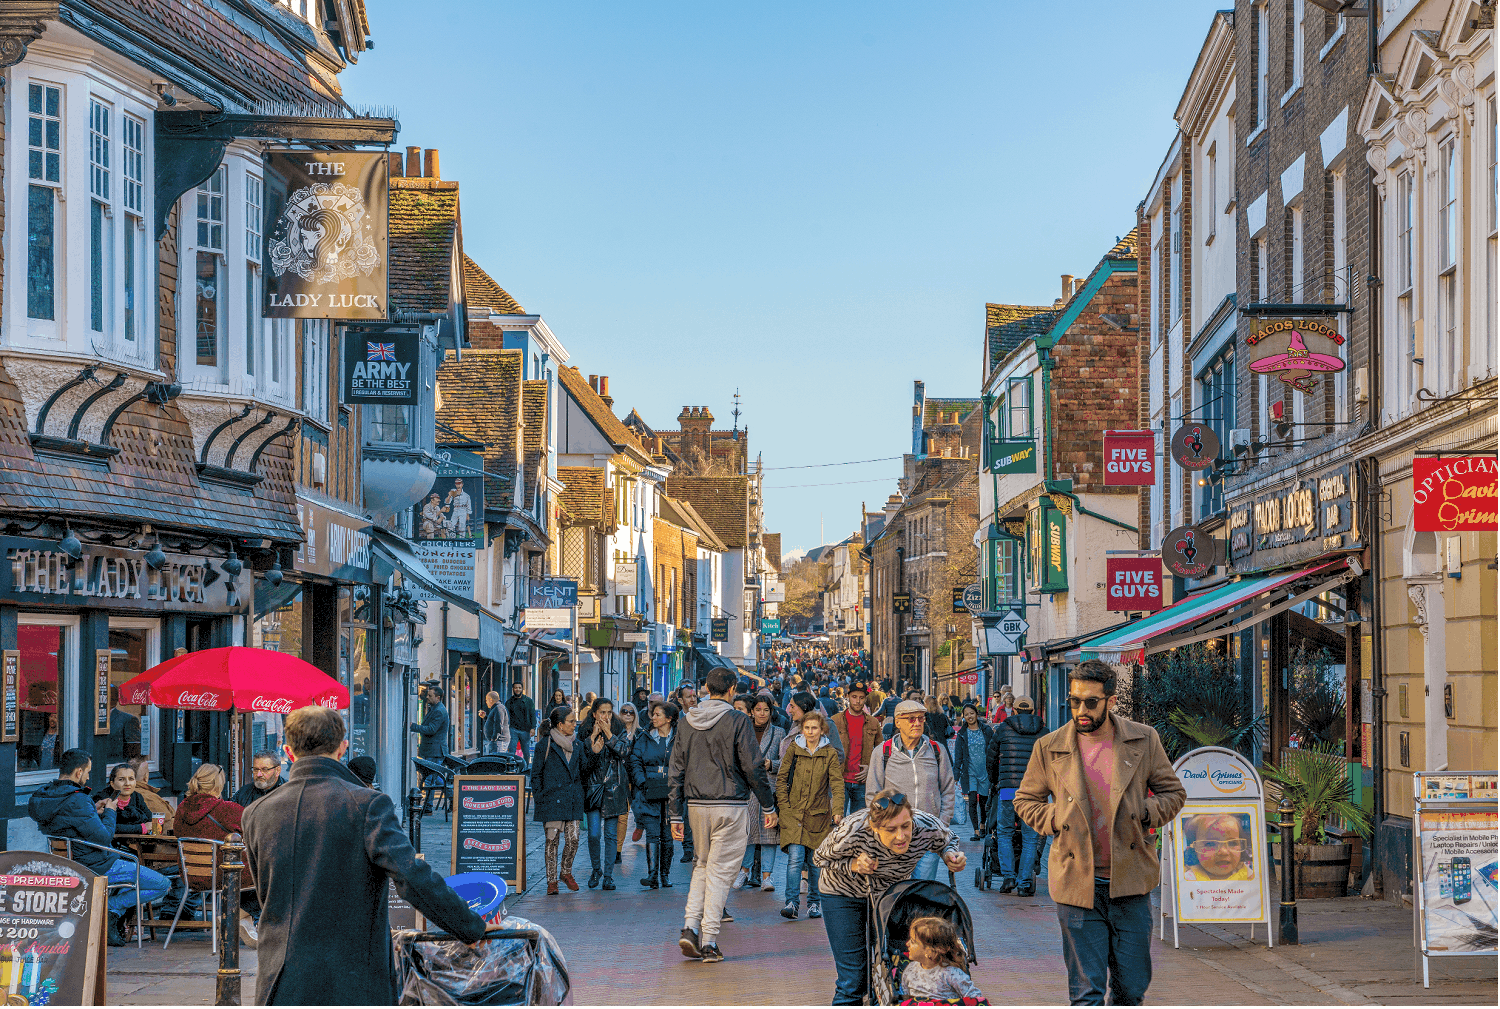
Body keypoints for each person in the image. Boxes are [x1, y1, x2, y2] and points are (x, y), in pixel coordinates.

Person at [244, 705, 484, 1004]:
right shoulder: (367, 804)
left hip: (279, 974)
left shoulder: (256, 813)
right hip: (352, 975)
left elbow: (265, 892)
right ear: (343, 748)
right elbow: (411, 875)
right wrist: (469, 926)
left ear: (288, 752)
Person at [1015, 659, 1186, 1007]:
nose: (1080, 709)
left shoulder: (1144, 739)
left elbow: (1174, 793)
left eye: (1090, 702)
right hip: (1077, 885)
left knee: (1131, 989)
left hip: (1131, 883)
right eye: (1074, 701)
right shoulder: (1049, 747)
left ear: (1110, 701)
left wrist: (1146, 813)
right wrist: (1054, 818)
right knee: (1086, 993)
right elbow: (1025, 799)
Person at [812, 790, 965, 1004]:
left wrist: (951, 855)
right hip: (842, 893)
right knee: (854, 978)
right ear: (874, 828)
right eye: (891, 830)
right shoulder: (853, 829)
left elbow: (949, 839)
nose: (901, 836)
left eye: (905, 826)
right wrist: (853, 864)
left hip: (889, 896)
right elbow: (819, 857)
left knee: (890, 968)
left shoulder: (925, 826)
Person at [668, 665, 776, 964]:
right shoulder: (738, 720)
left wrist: (675, 813)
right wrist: (768, 805)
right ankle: (710, 940)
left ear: (705, 687)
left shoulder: (687, 720)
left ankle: (690, 927)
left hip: (695, 805)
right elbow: (753, 767)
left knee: (703, 866)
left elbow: (676, 767)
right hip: (730, 803)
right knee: (719, 873)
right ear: (732, 690)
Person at [29, 747, 172, 946]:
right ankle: (111, 907)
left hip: (65, 862)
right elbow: (104, 838)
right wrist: (110, 811)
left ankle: (108, 914)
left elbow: (70, 821)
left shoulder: (43, 796)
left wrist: (93, 811)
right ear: (78, 772)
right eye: (87, 773)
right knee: (162, 884)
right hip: (96, 865)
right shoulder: (77, 799)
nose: (87, 778)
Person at [865, 698, 956, 880]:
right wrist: (883, 828)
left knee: (921, 893)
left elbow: (947, 791)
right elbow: (873, 794)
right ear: (898, 722)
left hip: (927, 838)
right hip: (894, 839)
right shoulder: (883, 752)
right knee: (895, 895)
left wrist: (941, 824)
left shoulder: (937, 750)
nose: (917, 723)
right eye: (911, 719)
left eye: (921, 719)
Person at [775, 709, 843, 921]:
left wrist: (838, 810)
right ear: (801, 729)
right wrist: (784, 808)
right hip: (793, 814)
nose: (810, 732)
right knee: (795, 859)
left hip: (819, 815)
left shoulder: (829, 753)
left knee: (815, 863)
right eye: (807, 728)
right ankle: (792, 903)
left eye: (814, 728)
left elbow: (837, 784)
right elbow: (781, 779)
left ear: (822, 729)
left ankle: (814, 903)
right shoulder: (794, 749)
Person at [987, 695, 1046, 894]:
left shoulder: (1004, 728)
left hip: (1007, 791)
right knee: (1030, 838)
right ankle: (1024, 883)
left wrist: (996, 781)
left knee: (1004, 833)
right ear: (1032, 711)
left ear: (1014, 711)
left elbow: (992, 757)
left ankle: (1008, 878)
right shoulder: (1044, 732)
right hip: (1033, 793)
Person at [533, 705, 586, 895]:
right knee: (552, 841)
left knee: (573, 839)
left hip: (572, 799)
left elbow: (584, 772)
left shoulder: (578, 745)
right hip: (551, 800)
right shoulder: (545, 745)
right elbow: (536, 775)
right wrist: (540, 798)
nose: (574, 724)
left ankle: (565, 872)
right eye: (571, 721)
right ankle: (551, 881)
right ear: (560, 724)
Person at [578, 697, 630, 890]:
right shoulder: (584, 731)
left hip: (614, 788)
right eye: (602, 712)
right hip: (593, 787)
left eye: (609, 712)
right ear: (594, 713)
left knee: (610, 835)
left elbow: (624, 751)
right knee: (593, 834)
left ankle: (608, 876)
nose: (606, 716)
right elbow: (583, 764)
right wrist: (592, 740)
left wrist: (608, 733)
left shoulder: (618, 729)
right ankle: (596, 869)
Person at [735, 694, 785, 891]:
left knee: (768, 833)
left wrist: (771, 764)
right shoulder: (742, 730)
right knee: (746, 832)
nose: (762, 713)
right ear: (751, 711)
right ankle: (744, 872)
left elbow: (786, 762)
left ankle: (767, 876)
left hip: (768, 787)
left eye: (766, 710)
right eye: (758, 710)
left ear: (771, 712)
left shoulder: (779, 733)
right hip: (746, 787)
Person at [630, 700, 679, 889]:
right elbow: (634, 760)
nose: (654, 718)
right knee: (652, 832)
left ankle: (665, 875)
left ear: (669, 718)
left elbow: (684, 760)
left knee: (667, 834)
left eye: (658, 714)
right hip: (648, 789)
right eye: (653, 714)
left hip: (671, 791)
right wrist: (641, 780)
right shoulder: (644, 737)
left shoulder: (678, 738)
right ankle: (652, 876)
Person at [902, 916, 985, 1002]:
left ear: (930, 951)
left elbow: (976, 999)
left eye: (913, 941)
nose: (907, 944)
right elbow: (906, 998)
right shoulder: (910, 970)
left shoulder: (951, 974)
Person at [830, 681, 879, 815]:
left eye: (861, 698)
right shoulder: (835, 720)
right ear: (848, 696)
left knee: (859, 824)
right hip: (839, 779)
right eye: (854, 697)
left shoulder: (873, 722)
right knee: (836, 822)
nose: (858, 701)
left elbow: (880, 752)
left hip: (862, 781)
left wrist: (870, 767)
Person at [952, 704, 994, 842]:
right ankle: (976, 831)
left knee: (983, 801)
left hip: (985, 771)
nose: (969, 716)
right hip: (969, 772)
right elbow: (958, 756)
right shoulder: (962, 734)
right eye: (966, 714)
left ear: (976, 714)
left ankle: (983, 826)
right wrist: (956, 775)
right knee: (971, 801)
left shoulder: (987, 730)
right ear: (963, 717)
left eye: (972, 713)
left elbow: (994, 750)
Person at [174, 764, 245, 842]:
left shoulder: (183, 807)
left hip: (186, 854)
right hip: (220, 854)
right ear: (218, 785)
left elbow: (177, 834)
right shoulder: (231, 809)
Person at [1182, 813, 1255, 881]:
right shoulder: (1190, 878)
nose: (1224, 852)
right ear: (1194, 849)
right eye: (1210, 844)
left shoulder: (1247, 873)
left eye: (1232, 843)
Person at [127, 755, 176, 834]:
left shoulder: (123, 794)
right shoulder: (148, 797)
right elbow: (159, 828)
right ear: (145, 778)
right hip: (162, 842)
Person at [103, 763, 154, 835]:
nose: (127, 783)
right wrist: (141, 828)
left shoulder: (137, 797)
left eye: (131, 779)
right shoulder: (103, 799)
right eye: (121, 779)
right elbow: (107, 827)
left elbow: (151, 821)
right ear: (112, 784)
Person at [410, 682, 449, 760]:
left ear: (438, 698)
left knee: (431, 772)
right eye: (427, 694)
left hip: (434, 753)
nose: (427, 697)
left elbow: (431, 729)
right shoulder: (434, 708)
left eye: (430, 695)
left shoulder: (439, 711)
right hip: (432, 752)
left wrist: (413, 726)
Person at [507, 682, 538, 767]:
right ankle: (511, 767)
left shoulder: (528, 701)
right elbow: (506, 716)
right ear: (513, 689)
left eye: (519, 688)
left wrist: (533, 728)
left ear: (522, 689)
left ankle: (526, 767)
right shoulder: (509, 702)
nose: (517, 689)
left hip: (525, 729)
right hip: (513, 729)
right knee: (512, 750)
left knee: (526, 751)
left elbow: (532, 715)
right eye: (516, 688)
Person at [480, 690, 510, 757]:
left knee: (496, 760)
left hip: (499, 741)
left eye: (486, 700)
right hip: (498, 741)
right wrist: (485, 717)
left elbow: (499, 724)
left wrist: (494, 738)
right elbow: (494, 722)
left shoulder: (498, 708)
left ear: (490, 700)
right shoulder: (497, 708)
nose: (486, 702)